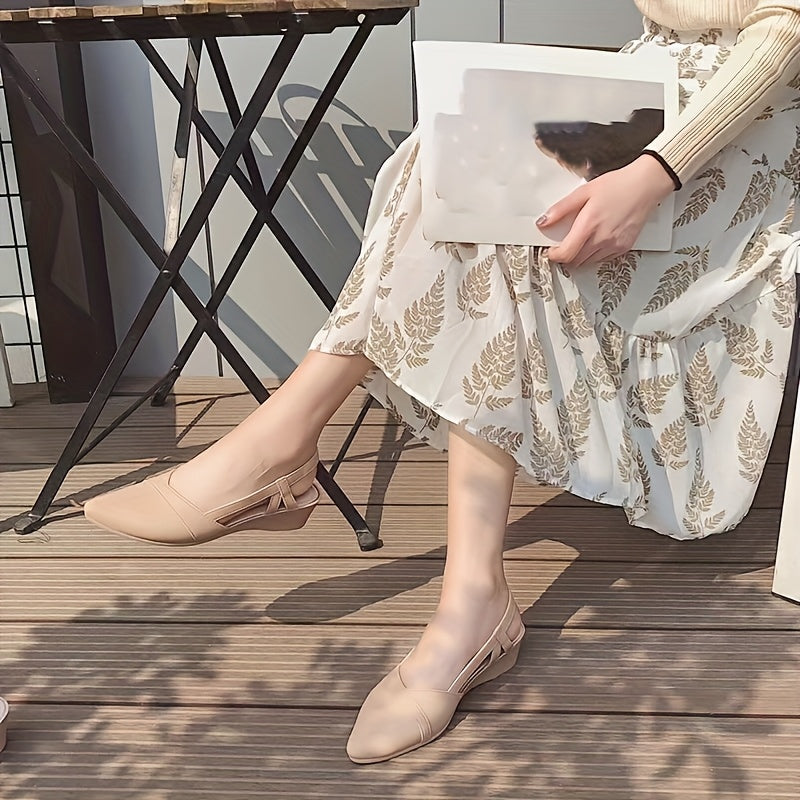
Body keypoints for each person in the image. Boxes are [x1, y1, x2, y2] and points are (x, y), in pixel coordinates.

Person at [83, 0, 800, 765]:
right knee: (453, 158)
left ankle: (295, 457)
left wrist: (655, 173)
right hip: (650, 84)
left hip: (746, 119)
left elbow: (786, 26)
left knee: (493, 205)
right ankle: (460, 592)